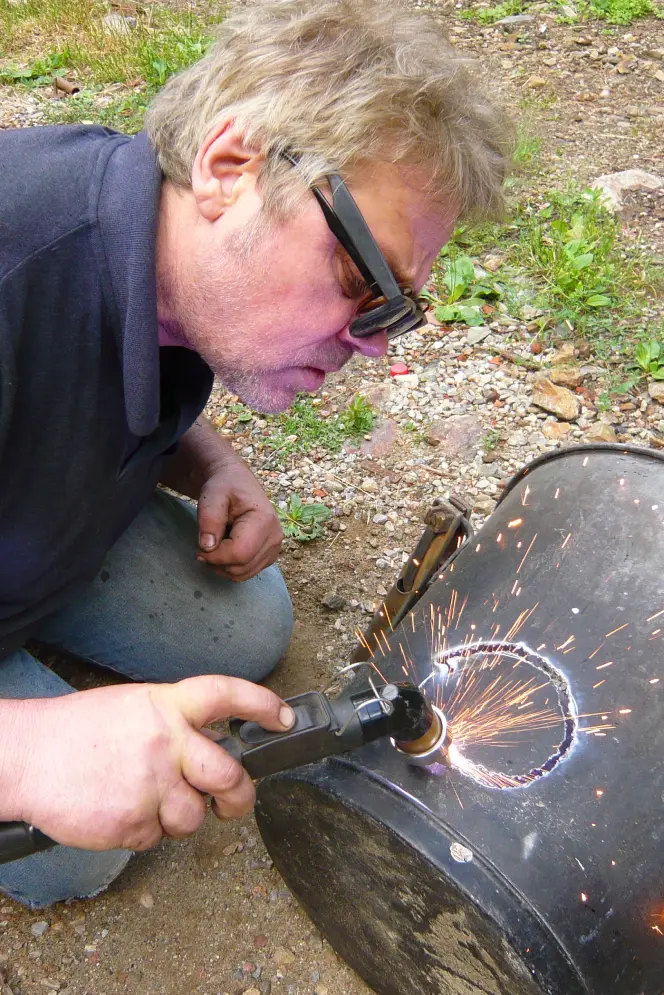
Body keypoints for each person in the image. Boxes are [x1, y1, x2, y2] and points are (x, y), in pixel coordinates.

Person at [0, 0, 510, 908]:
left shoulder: (170, 256)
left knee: (245, 627)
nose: (372, 342)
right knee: (76, 850)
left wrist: (204, 462)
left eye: (395, 308)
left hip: (28, 530)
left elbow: (98, 363)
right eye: (362, 281)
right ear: (229, 167)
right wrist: (27, 753)